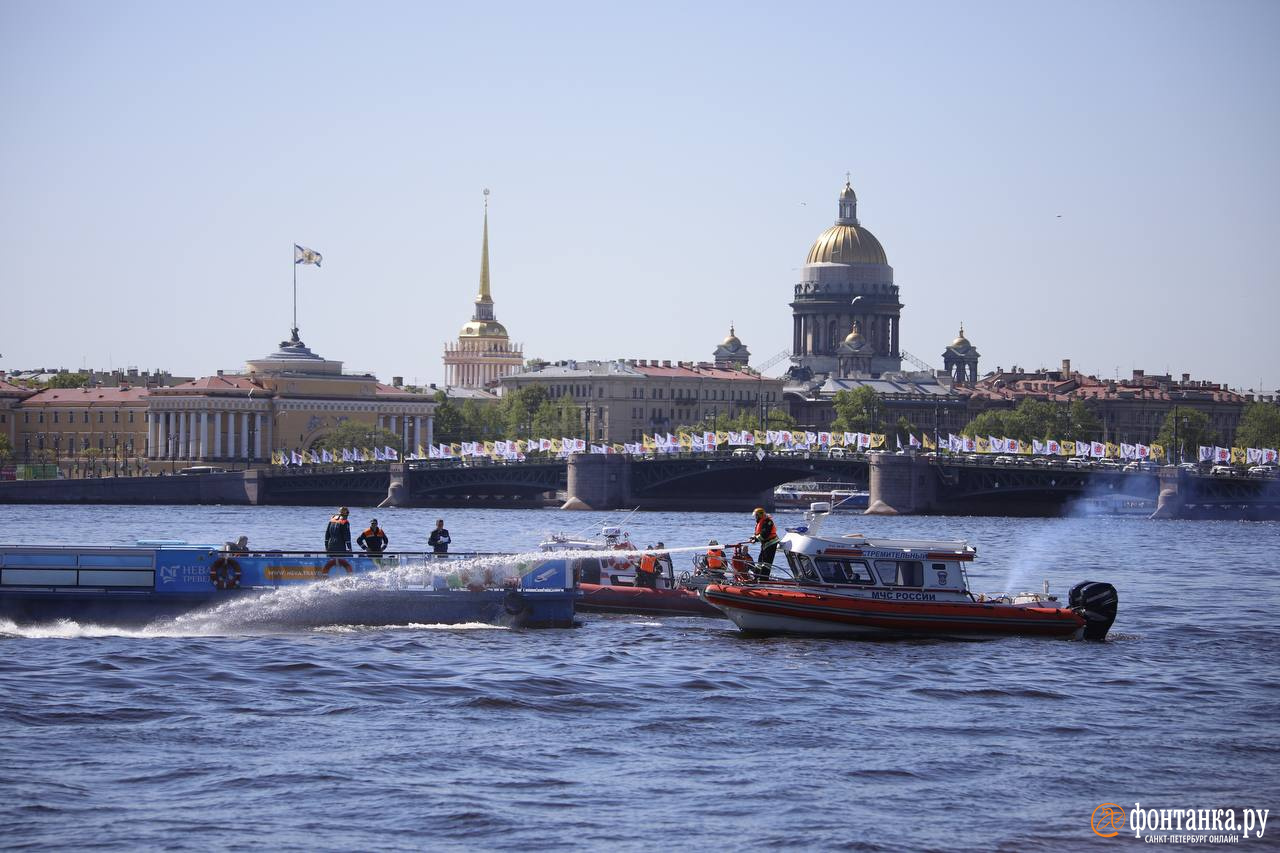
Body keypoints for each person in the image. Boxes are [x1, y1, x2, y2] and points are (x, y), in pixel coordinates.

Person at [749, 507, 779, 580]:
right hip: (765, 544)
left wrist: (755, 539)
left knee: (766, 563)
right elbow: (759, 533)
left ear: (760, 515)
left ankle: (764, 579)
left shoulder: (768, 522)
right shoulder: (761, 522)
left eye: (756, 516)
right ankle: (756, 577)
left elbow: (764, 534)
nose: (755, 518)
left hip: (771, 544)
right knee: (760, 561)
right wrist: (753, 537)